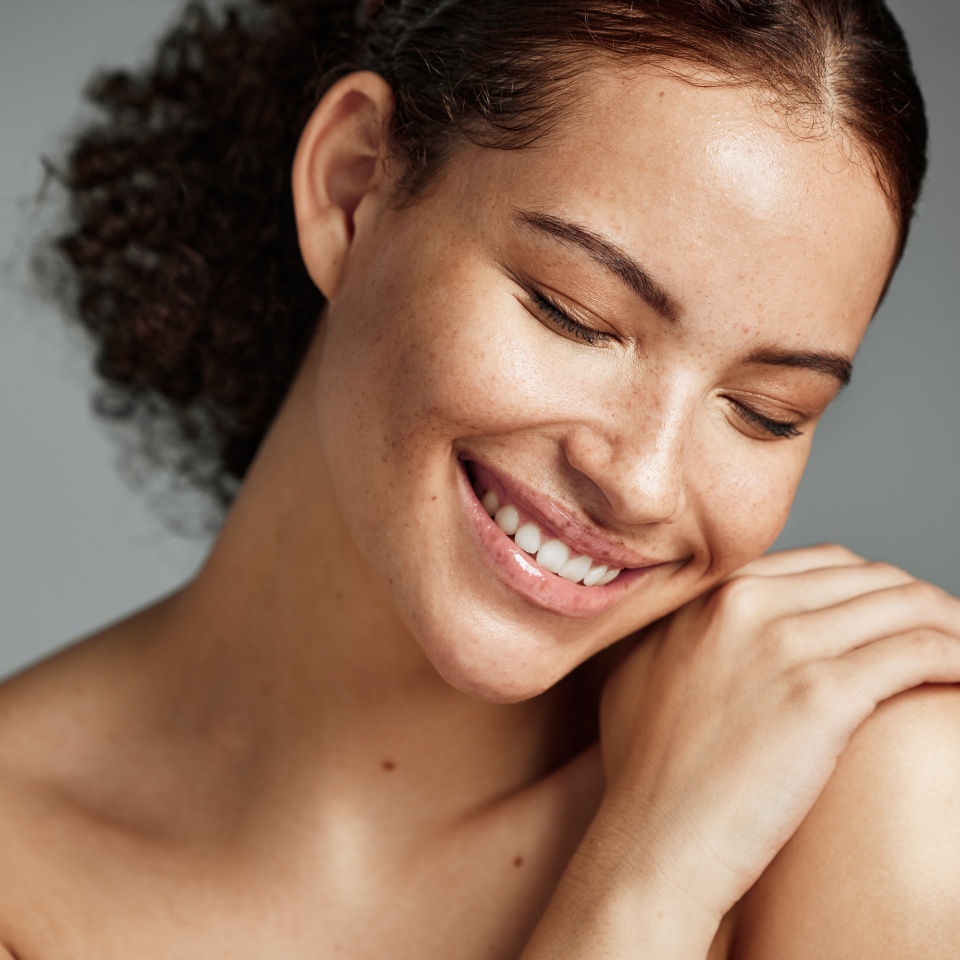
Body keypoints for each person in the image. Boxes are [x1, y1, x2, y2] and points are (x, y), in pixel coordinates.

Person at [1, 0, 958, 956]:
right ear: (353, 186)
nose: (645, 483)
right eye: (574, 313)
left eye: (767, 411)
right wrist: (639, 894)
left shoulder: (868, 797)